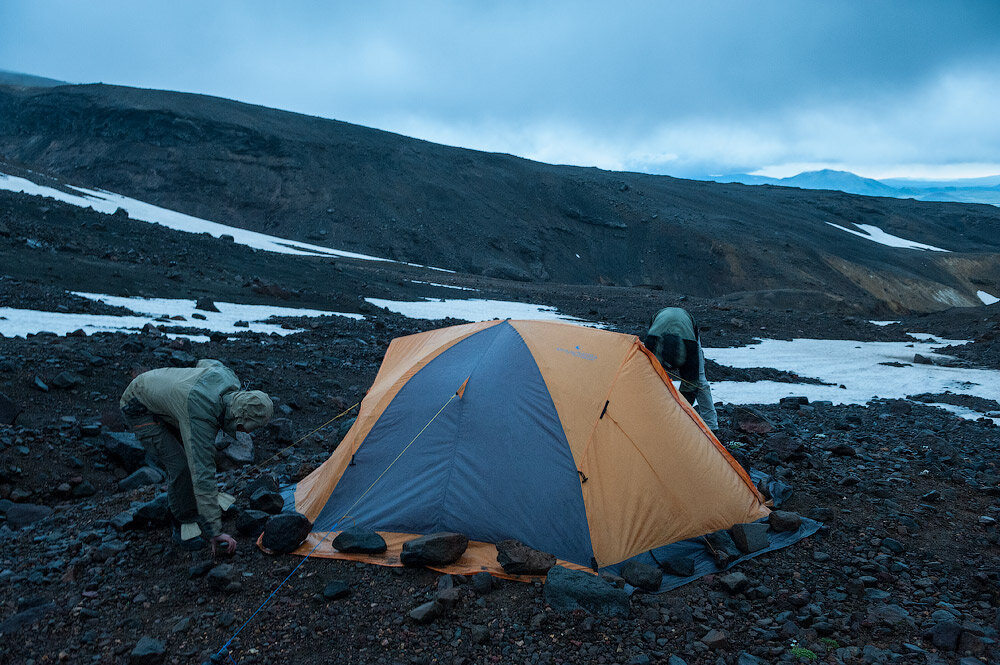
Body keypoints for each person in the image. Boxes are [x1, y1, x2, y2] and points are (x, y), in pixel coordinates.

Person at [120, 359, 273, 554]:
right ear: (238, 417)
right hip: (138, 406)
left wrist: (188, 382)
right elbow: (202, 472)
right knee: (182, 466)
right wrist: (215, 532)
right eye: (246, 428)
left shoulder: (228, 379)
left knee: (193, 454)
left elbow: (206, 362)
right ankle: (182, 524)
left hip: (160, 391)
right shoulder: (201, 413)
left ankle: (197, 506)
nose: (248, 433)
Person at [645, 307, 719, 431]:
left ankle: (711, 426)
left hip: (688, 328)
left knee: (700, 381)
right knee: (653, 376)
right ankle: (654, 415)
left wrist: (681, 414)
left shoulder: (690, 350)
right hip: (659, 324)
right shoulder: (652, 343)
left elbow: (691, 384)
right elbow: (645, 376)